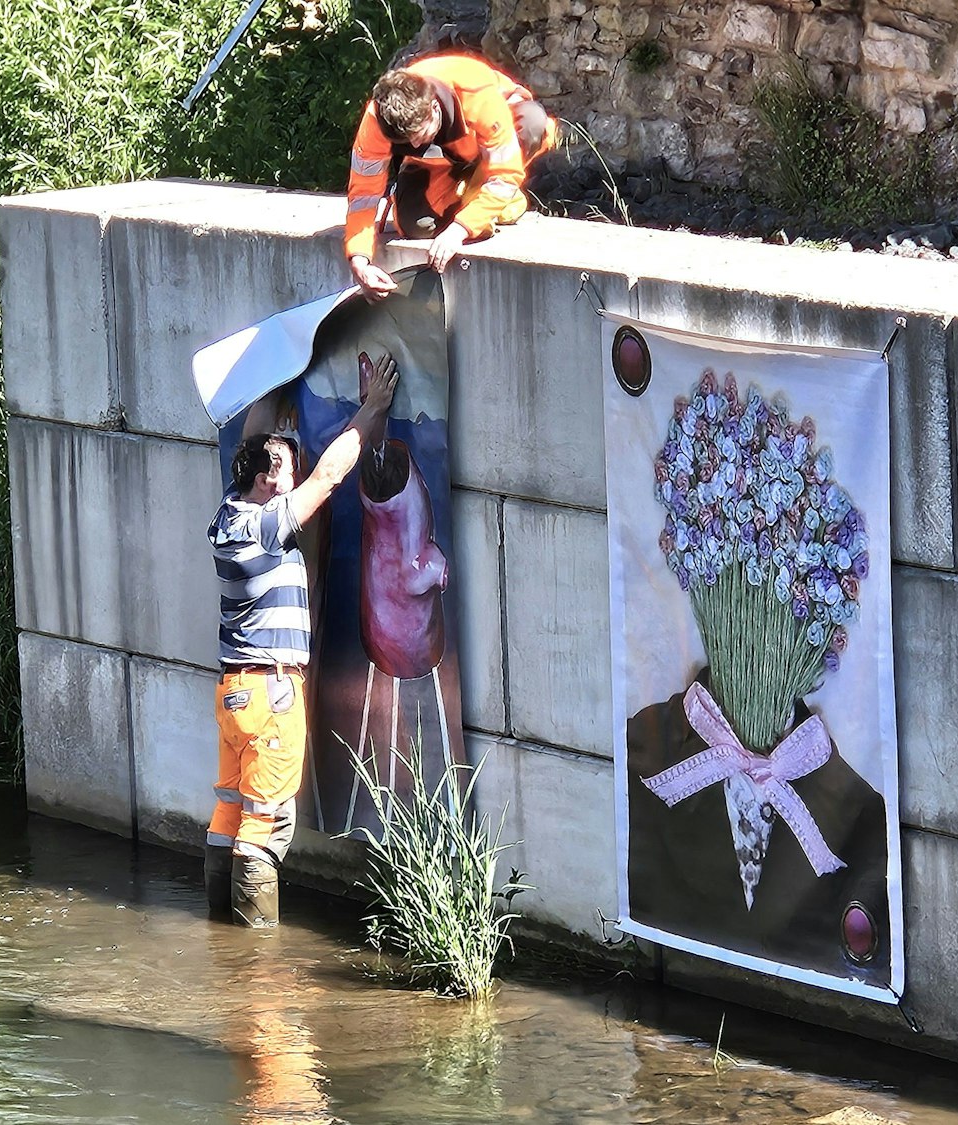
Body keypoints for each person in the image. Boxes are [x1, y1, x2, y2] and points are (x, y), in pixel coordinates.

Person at [206, 352, 400, 928]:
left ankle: (219, 941)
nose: (296, 471)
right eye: (286, 468)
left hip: (237, 698)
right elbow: (330, 476)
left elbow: (253, 437)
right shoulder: (267, 525)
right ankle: (257, 974)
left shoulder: (230, 515)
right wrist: (371, 411)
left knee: (230, 816)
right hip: (270, 701)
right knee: (265, 830)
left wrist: (283, 358)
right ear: (268, 480)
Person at [344, 54, 559, 300]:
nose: (414, 143)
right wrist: (359, 260)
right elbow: (363, 194)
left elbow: (504, 172)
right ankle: (475, 198)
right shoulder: (378, 120)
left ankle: (493, 200)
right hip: (444, 161)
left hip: (497, 140)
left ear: (434, 108)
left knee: (532, 123)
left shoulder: (475, 91)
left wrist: (459, 229)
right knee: (417, 226)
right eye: (405, 140)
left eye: (420, 134)